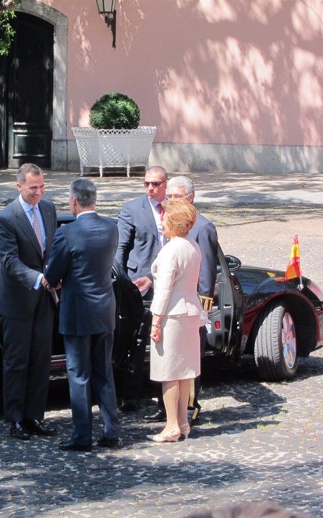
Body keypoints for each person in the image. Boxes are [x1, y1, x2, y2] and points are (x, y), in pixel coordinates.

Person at [43, 178, 121, 452]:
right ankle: (111, 430)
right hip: (104, 309)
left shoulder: (68, 233)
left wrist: (56, 281)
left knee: (78, 375)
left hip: (77, 311)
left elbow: (52, 274)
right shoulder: (111, 228)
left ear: (74, 201)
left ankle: (82, 435)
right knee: (104, 372)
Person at [0, 163, 58, 441]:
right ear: (18, 186)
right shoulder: (7, 218)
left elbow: (53, 249)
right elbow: (9, 261)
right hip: (18, 299)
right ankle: (16, 419)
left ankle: (35, 416)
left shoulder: (49, 209)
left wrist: (57, 274)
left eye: (42, 187)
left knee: (41, 360)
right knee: (17, 361)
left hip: (44, 299)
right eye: (33, 188)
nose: (39, 193)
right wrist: (38, 278)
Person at [146, 198, 202, 443]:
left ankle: (171, 425)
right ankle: (182, 422)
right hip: (190, 312)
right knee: (185, 371)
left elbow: (164, 290)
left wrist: (155, 321)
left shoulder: (171, 250)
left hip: (172, 315)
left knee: (169, 371)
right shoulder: (192, 246)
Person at [114, 166, 169, 412]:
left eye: (155, 183)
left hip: (168, 281)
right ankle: (129, 394)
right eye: (146, 183)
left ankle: (165, 395)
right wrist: (123, 282)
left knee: (165, 340)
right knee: (135, 340)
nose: (150, 188)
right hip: (138, 284)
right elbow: (120, 249)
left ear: (165, 184)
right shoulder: (132, 209)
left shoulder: (174, 208)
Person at [165, 175, 218, 424]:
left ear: (191, 198)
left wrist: (203, 309)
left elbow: (206, 270)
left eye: (177, 197)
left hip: (191, 304)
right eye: (170, 197)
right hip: (172, 302)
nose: (172, 201)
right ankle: (168, 407)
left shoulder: (202, 227)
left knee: (189, 358)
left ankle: (189, 406)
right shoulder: (170, 223)